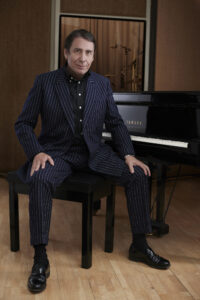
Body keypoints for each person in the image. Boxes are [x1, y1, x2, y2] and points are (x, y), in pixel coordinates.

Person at [15, 29, 170, 293]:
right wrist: (37, 152)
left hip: (93, 155)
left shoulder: (102, 84)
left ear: (93, 56)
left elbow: (116, 123)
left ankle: (139, 245)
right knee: (39, 179)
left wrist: (128, 154)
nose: (83, 58)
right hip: (57, 154)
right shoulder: (45, 82)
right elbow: (23, 124)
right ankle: (40, 258)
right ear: (66, 53)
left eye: (88, 53)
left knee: (138, 174)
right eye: (77, 51)